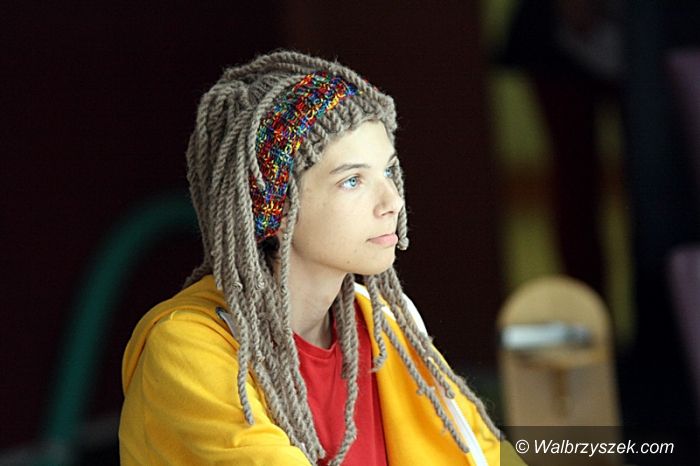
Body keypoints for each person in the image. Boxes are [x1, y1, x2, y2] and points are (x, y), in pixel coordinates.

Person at [118, 50, 525, 465]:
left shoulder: (385, 328)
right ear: (275, 209)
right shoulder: (186, 347)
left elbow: (488, 454)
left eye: (388, 171)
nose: (393, 201)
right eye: (352, 180)